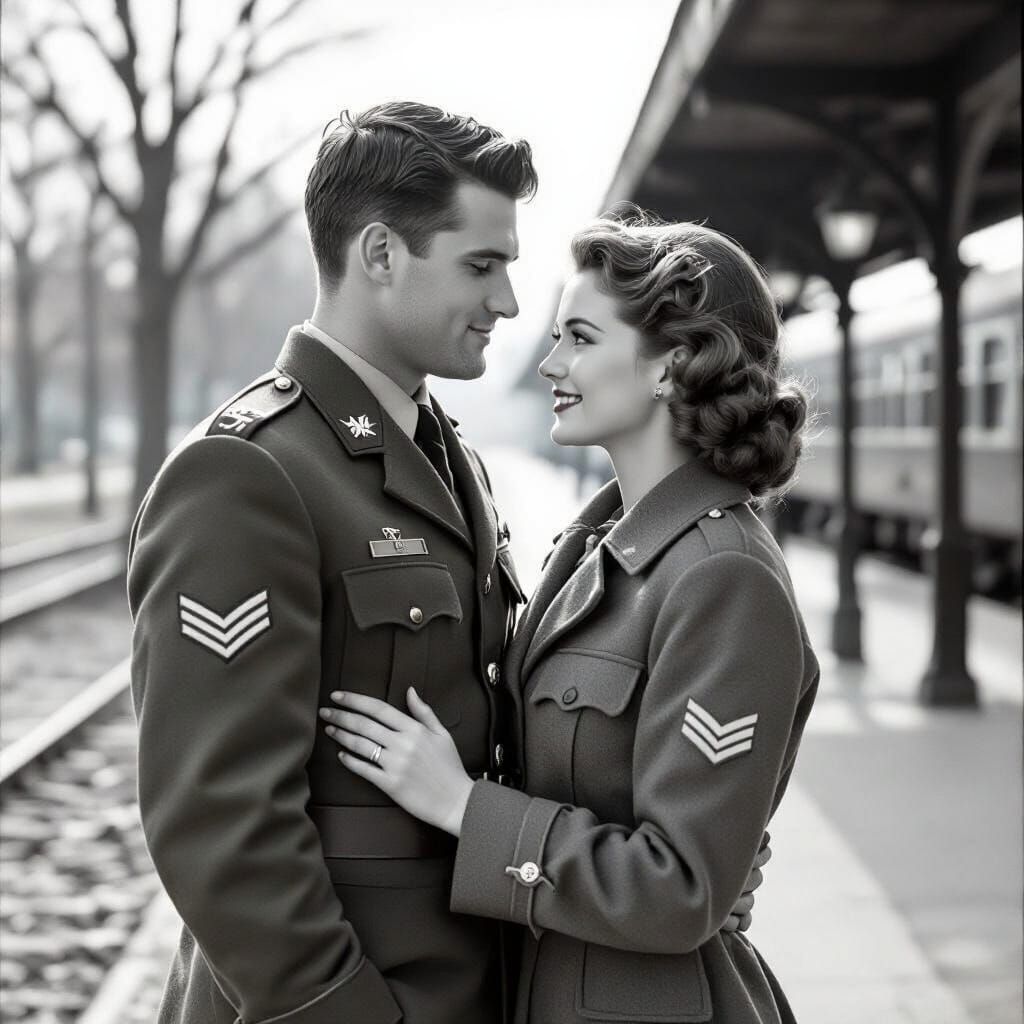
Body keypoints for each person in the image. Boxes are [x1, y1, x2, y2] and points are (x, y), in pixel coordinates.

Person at [320, 213, 820, 1023]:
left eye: (581, 338)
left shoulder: (723, 578)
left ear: (673, 364)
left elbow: (681, 886)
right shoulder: (599, 547)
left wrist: (461, 805)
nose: (551, 362)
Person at [128, 101, 536, 1024]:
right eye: (482, 265)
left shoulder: (446, 452)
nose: (507, 302)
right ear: (381, 253)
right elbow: (220, 828)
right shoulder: (248, 471)